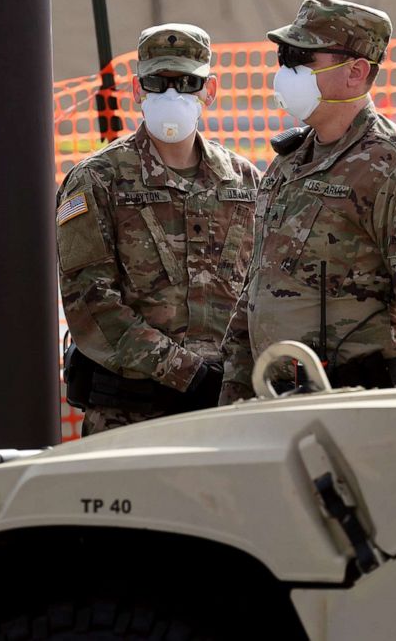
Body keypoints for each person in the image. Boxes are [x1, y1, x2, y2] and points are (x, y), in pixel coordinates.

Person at [220, 0, 396, 404]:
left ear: (355, 72)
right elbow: (256, 292)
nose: (286, 72)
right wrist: (232, 396)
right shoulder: (288, 165)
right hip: (275, 402)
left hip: (357, 407)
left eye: (302, 58)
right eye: (284, 57)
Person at [56, 23, 261, 434]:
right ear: (137, 90)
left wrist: (236, 380)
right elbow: (92, 305)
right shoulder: (98, 180)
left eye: (187, 82)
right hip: (132, 417)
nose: (173, 95)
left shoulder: (246, 182)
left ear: (210, 90)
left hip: (227, 413)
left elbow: (264, 293)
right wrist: (188, 375)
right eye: (158, 82)